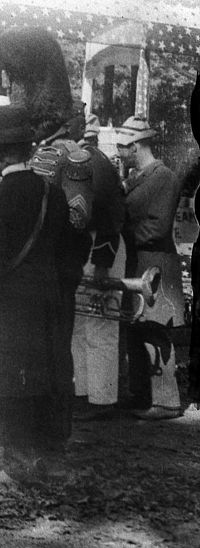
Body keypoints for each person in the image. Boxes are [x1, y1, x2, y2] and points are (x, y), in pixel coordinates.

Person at [0, 105, 74, 481]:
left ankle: (16, 465)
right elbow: (72, 253)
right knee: (46, 375)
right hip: (49, 301)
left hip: (8, 307)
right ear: (29, 151)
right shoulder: (53, 194)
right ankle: (47, 456)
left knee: (10, 379)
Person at [117, 116, 184, 420]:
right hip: (140, 260)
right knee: (138, 328)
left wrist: (123, 233)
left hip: (155, 263)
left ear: (136, 145)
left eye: (123, 146)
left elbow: (157, 227)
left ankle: (167, 401)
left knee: (158, 331)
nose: (120, 151)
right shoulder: (141, 175)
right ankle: (142, 394)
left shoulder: (163, 177)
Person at [71, 114, 127, 420]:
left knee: (102, 326)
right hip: (82, 249)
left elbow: (112, 217)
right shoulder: (75, 163)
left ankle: (103, 399)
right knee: (80, 327)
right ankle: (84, 392)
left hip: (104, 246)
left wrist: (103, 262)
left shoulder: (99, 166)